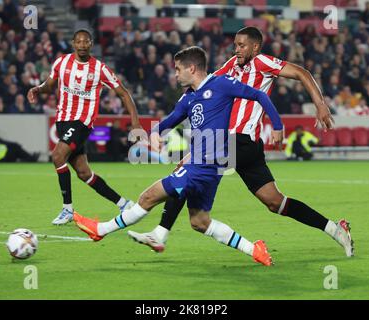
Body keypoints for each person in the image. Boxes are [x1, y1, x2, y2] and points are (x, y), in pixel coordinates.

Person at [128, 27, 354, 258]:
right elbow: (207, 82)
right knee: (274, 202)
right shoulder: (231, 66)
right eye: (235, 45)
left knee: (188, 169)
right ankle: (336, 230)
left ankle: (161, 232)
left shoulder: (263, 62)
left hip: (238, 139)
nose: (236, 49)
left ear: (255, 47)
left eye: (242, 45)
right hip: (241, 145)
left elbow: (302, 73)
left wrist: (320, 104)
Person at [73, 46, 285, 266]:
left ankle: (100, 230)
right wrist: (155, 133)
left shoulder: (221, 84)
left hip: (204, 164)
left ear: (191, 68)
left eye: (177, 69)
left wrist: (277, 125)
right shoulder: (189, 98)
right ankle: (255, 250)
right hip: (208, 167)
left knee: (147, 197)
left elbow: (259, 95)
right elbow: (171, 120)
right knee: (200, 222)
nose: (174, 74)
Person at [27, 29, 141, 225]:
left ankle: (67, 209)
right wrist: (38, 89)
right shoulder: (62, 62)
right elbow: (50, 83)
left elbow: (123, 94)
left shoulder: (100, 69)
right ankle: (124, 203)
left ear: (91, 44)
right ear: (73, 43)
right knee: (84, 173)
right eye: (78, 41)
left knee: (57, 156)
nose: (82, 45)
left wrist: (135, 122)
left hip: (82, 122)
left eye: (85, 42)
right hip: (63, 120)